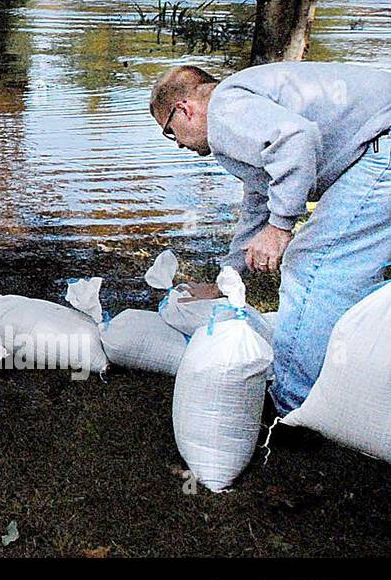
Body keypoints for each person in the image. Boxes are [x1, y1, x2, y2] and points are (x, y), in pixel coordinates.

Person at [149, 61, 391, 413]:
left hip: (383, 143)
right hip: (377, 141)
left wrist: (280, 227)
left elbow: (297, 138)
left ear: (184, 109)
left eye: (170, 132)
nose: (177, 145)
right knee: (347, 266)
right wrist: (226, 280)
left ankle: (292, 405)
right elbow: (259, 200)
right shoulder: (244, 111)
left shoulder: (225, 108)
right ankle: (353, 370)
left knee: (312, 264)